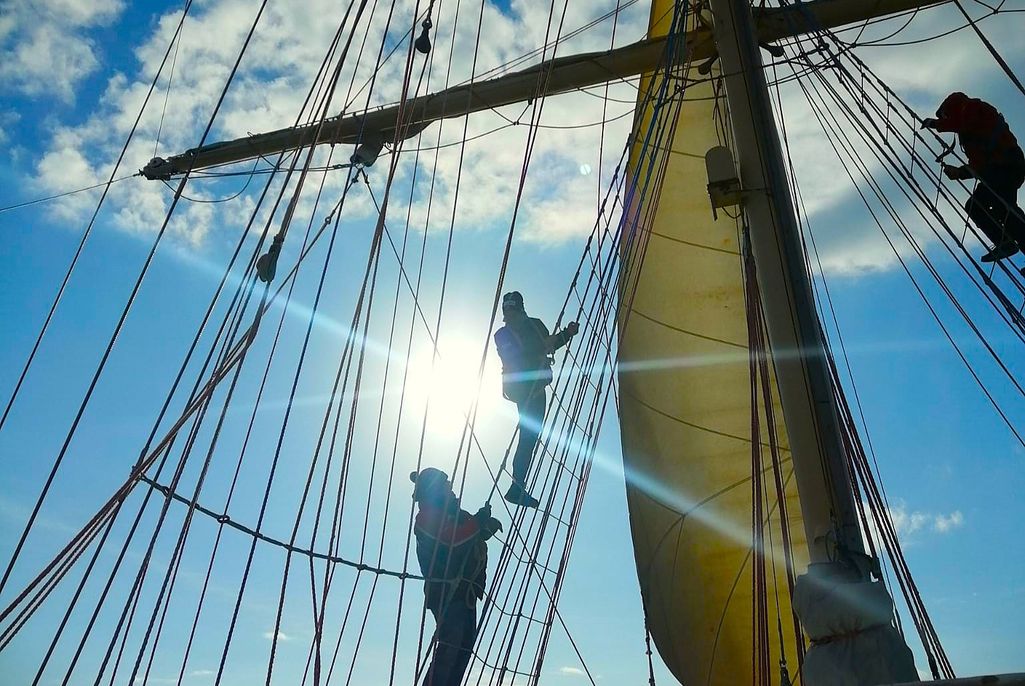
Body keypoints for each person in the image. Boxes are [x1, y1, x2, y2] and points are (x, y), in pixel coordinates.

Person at [410, 468, 502, 686]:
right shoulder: (426, 518)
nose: (450, 488)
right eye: (446, 485)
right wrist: (478, 522)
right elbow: (454, 539)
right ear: (434, 490)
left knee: (463, 649)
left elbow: (465, 539)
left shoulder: (451, 515)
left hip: (464, 594)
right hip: (447, 594)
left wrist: (483, 527)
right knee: (449, 652)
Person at [493, 291, 579, 508]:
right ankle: (517, 486)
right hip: (523, 388)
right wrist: (547, 345)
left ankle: (517, 486)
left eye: (511, 309)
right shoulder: (502, 335)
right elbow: (513, 355)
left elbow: (548, 345)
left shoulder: (535, 325)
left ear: (519, 308)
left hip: (537, 386)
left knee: (530, 436)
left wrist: (567, 334)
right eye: (507, 309)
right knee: (528, 435)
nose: (509, 313)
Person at [922, 92, 1025, 262]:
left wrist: (936, 124)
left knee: (983, 207)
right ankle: (1005, 242)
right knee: (1002, 210)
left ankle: (1004, 242)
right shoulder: (970, 131)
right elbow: (978, 163)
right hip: (1002, 168)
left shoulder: (974, 109)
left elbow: (964, 123)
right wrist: (960, 173)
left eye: (947, 115)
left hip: (1005, 166)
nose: (946, 119)